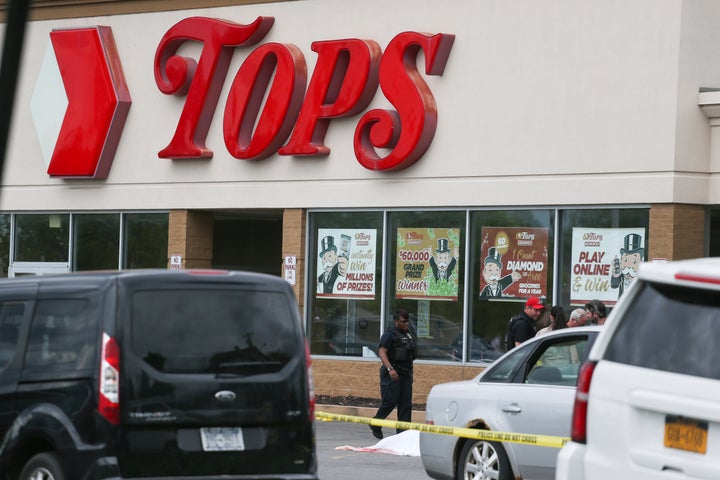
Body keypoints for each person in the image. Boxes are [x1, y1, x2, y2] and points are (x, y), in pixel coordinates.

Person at [371, 308, 417, 440]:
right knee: (391, 401)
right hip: (392, 373)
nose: (406, 324)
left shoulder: (408, 334)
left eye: (407, 321)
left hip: (405, 374)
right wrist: (390, 369)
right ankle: (376, 423)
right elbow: (382, 352)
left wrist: (410, 373)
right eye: (403, 322)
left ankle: (403, 435)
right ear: (396, 321)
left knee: (405, 405)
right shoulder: (389, 334)